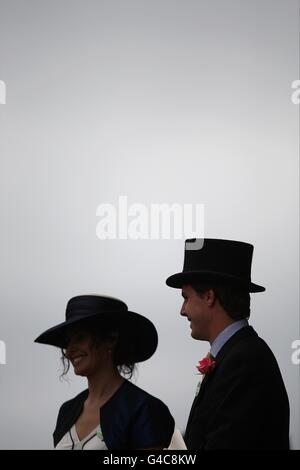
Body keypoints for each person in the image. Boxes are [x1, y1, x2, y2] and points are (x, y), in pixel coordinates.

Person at [166, 238, 290, 450]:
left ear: (208, 297)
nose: (182, 310)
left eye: (186, 298)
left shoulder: (244, 360)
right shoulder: (237, 355)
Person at [35, 295, 174, 450]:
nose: (69, 351)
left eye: (80, 337)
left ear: (111, 339)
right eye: (68, 342)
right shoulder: (67, 411)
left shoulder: (143, 409)